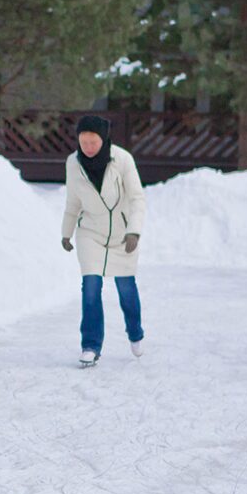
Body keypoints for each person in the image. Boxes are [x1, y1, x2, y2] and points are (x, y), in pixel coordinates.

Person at [61, 115, 147, 367]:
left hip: (123, 235)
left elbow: (137, 199)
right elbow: (73, 201)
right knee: (90, 287)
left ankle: (135, 332)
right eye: (83, 141)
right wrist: (66, 232)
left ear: (104, 139)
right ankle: (90, 345)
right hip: (90, 233)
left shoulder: (122, 160)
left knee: (126, 289)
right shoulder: (73, 163)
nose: (88, 147)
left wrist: (134, 230)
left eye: (93, 141)